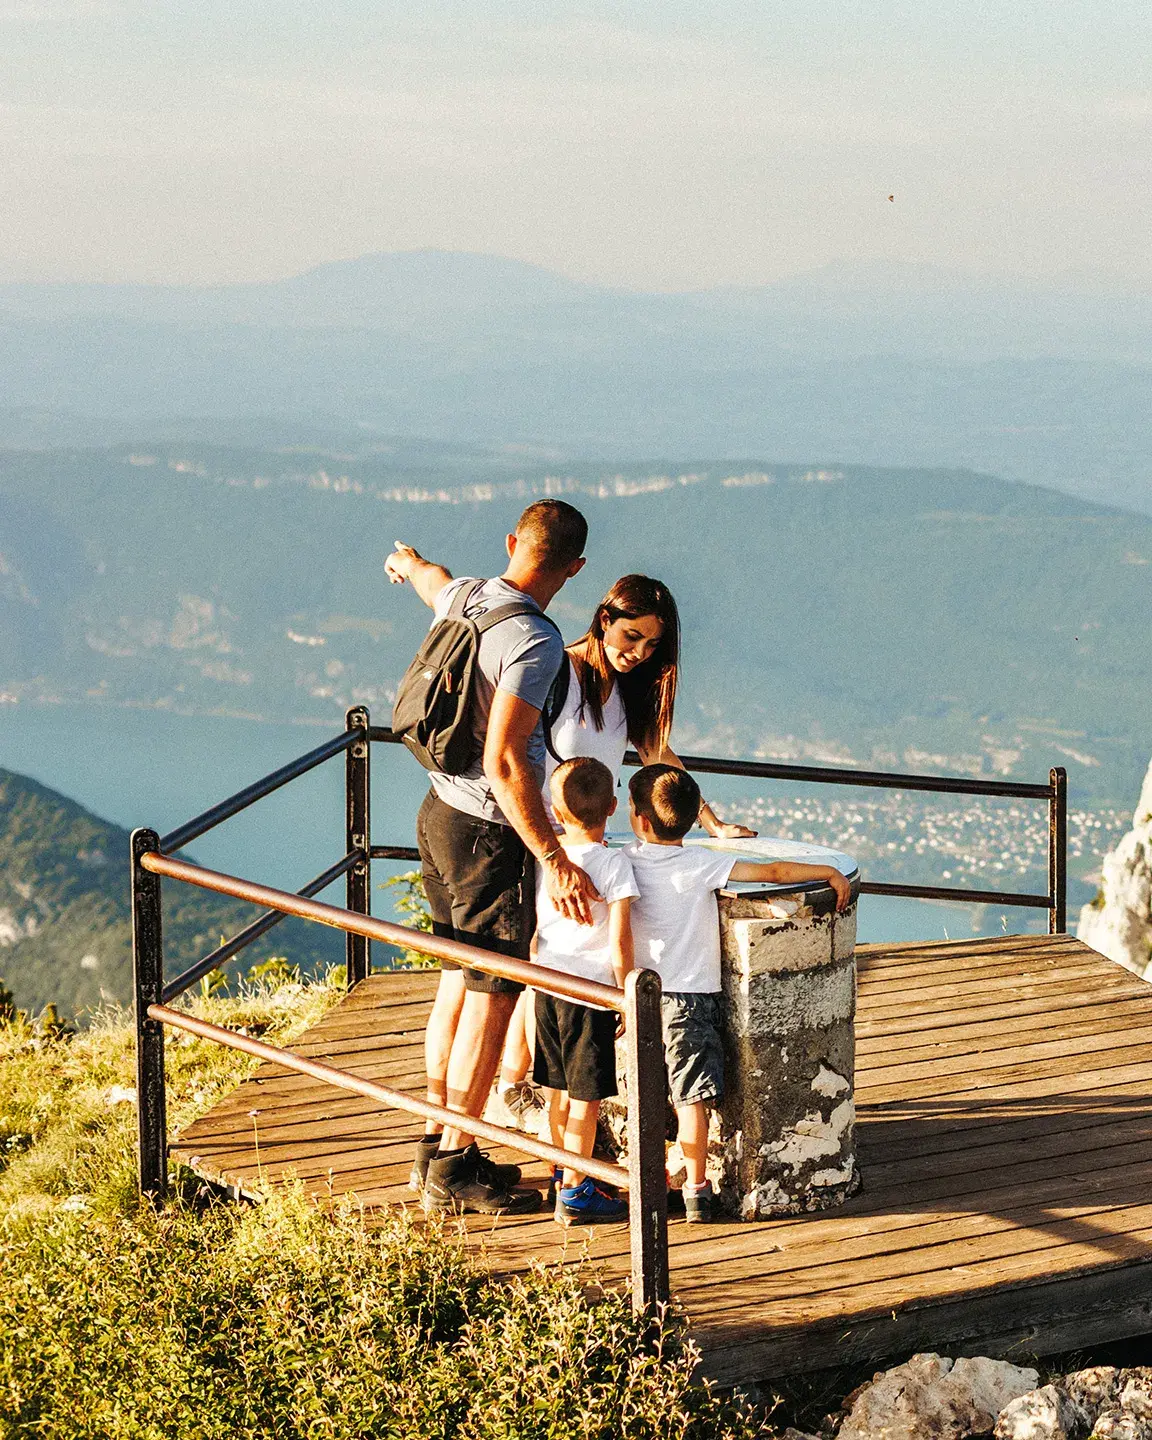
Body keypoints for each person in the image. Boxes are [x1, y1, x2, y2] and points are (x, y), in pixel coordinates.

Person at [384, 499, 600, 1215]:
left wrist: (407, 562)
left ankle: (439, 1144)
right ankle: (453, 1168)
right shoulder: (535, 641)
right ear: (574, 568)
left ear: (513, 542)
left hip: (437, 812)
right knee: (494, 993)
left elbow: (432, 578)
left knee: (458, 979)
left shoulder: (470, 594)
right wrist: (555, 858)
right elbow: (506, 761)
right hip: (486, 834)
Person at [497, 573, 757, 1115]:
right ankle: (515, 1083)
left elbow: (658, 755)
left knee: (567, 963)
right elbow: (513, 752)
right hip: (547, 845)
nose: (638, 653)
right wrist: (549, 853)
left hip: (587, 848)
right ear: (604, 619)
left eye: (651, 645)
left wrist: (710, 823)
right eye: (631, 636)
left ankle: (534, 1088)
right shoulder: (558, 671)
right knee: (544, 961)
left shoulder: (627, 690)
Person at [626, 763, 851, 1223]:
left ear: (639, 819)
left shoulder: (623, 862)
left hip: (641, 997)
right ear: (692, 818)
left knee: (645, 1094)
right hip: (692, 1000)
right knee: (691, 1099)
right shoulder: (701, 863)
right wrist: (828, 871)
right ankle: (696, 1190)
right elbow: (773, 870)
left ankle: (646, 1182)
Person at [531, 756, 637, 1226]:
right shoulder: (614, 864)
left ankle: (561, 1170)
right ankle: (576, 1190)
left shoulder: (549, 861)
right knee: (586, 1098)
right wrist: (626, 996)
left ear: (555, 812)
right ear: (613, 806)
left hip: (548, 985)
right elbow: (620, 941)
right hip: (590, 996)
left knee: (557, 1088)